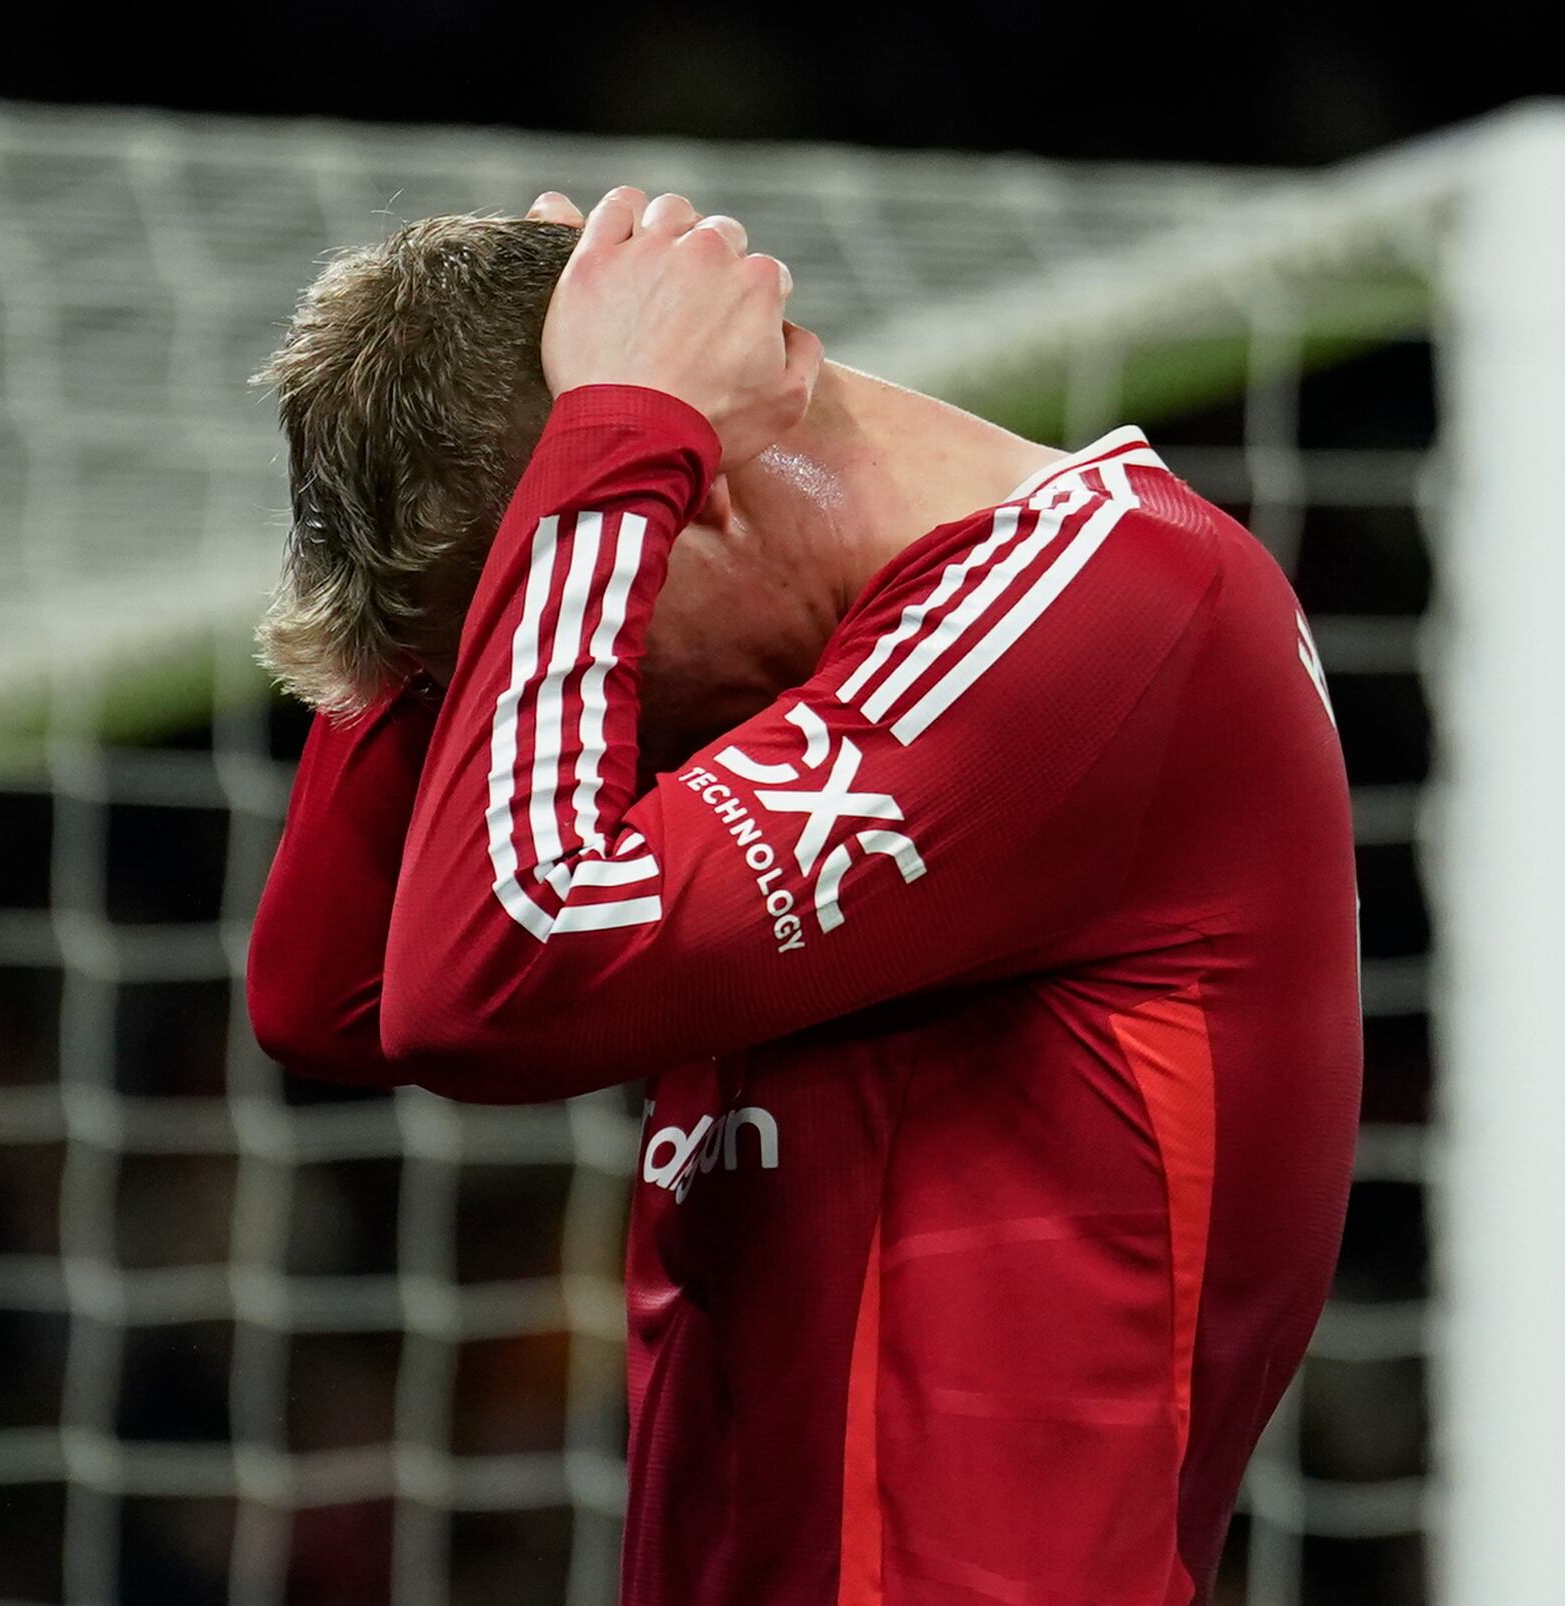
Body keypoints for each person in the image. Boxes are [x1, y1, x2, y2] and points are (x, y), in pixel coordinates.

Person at [244, 185, 1361, 1605]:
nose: (591, 713)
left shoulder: (1114, 605)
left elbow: (485, 971)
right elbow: (329, 990)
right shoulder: (836, 664)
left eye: (594, 643)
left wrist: (612, 436)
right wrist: (547, 442)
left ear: (684, 495)